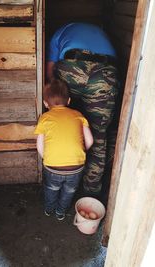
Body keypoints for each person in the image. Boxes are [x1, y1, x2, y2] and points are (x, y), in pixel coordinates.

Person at [46, 22, 119, 198]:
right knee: (99, 134)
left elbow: (50, 67)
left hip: (72, 67)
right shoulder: (102, 33)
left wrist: (54, 88)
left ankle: (61, 172)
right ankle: (91, 192)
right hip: (106, 73)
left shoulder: (60, 31)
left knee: (61, 118)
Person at [34, 79, 93, 220]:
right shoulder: (78, 115)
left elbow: (40, 144)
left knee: (51, 189)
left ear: (45, 104)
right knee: (69, 191)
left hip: (53, 166)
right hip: (76, 167)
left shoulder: (44, 118)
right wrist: (79, 152)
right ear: (69, 101)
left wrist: (46, 159)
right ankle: (61, 212)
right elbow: (90, 141)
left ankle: (49, 209)